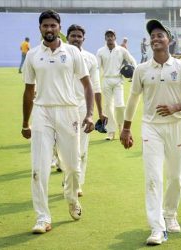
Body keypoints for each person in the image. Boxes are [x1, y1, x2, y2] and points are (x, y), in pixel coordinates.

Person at [120, 19, 181, 245]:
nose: (155, 39)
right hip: (151, 127)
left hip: (175, 126)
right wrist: (126, 128)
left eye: (160, 35)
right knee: (153, 178)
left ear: (169, 40)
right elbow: (133, 99)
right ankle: (157, 227)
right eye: (152, 36)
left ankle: (170, 214)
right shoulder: (142, 70)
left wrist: (177, 106)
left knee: (175, 177)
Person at [21, 10, 95, 233]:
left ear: (59, 28)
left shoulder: (72, 52)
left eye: (53, 25)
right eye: (45, 26)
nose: (49, 29)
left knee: (72, 167)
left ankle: (72, 197)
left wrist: (89, 114)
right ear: (40, 28)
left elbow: (87, 85)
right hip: (42, 112)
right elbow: (28, 91)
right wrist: (26, 123)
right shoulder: (33, 55)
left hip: (69, 111)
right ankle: (43, 217)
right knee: (39, 168)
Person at [62, 24, 106, 197]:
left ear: (83, 39)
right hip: (61, 106)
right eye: (73, 36)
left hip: (82, 106)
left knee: (81, 149)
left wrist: (99, 112)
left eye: (79, 36)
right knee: (64, 149)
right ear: (67, 37)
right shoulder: (60, 56)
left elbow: (96, 87)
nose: (76, 39)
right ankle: (68, 178)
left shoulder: (90, 59)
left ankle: (77, 184)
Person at [96, 29, 137, 140]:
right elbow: (97, 68)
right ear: (105, 38)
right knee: (108, 107)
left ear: (115, 37)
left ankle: (121, 127)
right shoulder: (100, 51)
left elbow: (132, 60)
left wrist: (135, 73)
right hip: (106, 80)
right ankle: (111, 132)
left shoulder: (121, 50)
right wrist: (95, 81)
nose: (110, 38)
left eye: (112, 36)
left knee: (120, 105)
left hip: (118, 80)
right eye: (108, 36)